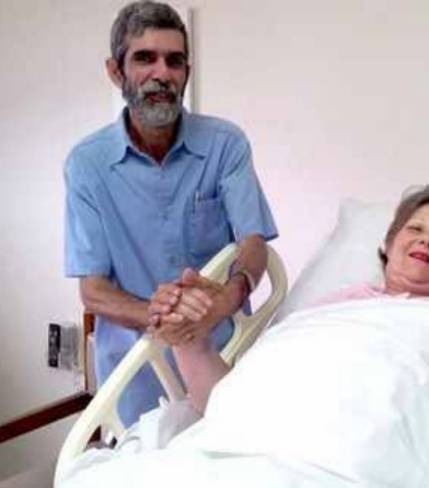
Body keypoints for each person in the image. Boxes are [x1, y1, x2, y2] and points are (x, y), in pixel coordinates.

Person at [60, 185, 429, 488]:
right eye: (414, 229)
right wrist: (191, 339)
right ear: (388, 244)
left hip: (359, 461)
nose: (426, 239)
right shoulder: (322, 310)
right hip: (232, 453)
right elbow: (229, 404)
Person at [64, 0, 277, 428]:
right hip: (134, 376)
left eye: (175, 61)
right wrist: (157, 314)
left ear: (186, 72)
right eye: (145, 58)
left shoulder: (225, 145)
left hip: (224, 356)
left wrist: (227, 298)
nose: (162, 73)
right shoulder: (86, 164)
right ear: (115, 71)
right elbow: (94, 291)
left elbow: (253, 244)